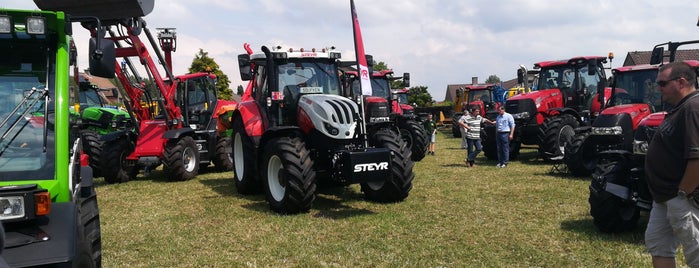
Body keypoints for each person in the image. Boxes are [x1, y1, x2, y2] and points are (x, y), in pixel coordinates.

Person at [644, 61, 699, 268]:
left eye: (662, 83)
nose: (659, 89)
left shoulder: (693, 108)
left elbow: (697, 160)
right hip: (665, 197)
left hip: (682, 197)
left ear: (681, 82)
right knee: (658, 244)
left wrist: (683, 193)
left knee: (696, 250)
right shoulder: (681, 108)